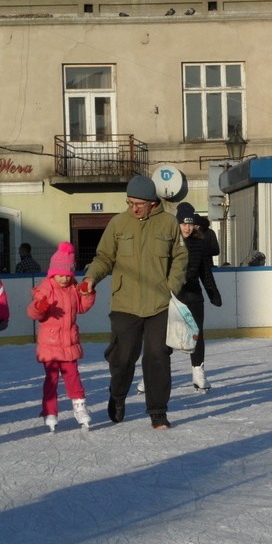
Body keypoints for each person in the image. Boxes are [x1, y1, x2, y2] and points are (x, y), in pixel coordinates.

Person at [82, 175, 188, 429]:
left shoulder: (168, 224)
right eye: (130, 202)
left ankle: (158, 412)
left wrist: (171, 286)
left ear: (152, 203)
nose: (134, 208)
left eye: (139, 203)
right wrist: (91, 278)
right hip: (125, 303)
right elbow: (104, 257)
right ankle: (118, 396)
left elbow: (181, 258)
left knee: (157, 357)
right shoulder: (118, 224)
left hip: (159, 304)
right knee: (122, 357)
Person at [140, 202, 222, 394]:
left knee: (197, 334)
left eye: (190, 224)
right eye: (183, 224)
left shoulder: (200, 243)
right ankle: (154, 376)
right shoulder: (168, 242)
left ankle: (198, 372)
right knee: (164, 337)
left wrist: (213, 293)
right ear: (177, 224)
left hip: (193, 295)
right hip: (171, 296)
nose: (187, 227)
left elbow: (205, 272)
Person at [26, 242, 96, 431]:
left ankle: (80, 408)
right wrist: (39, 308)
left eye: (68, 275)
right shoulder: (45, 288)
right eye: (60, 275)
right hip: (50, 344)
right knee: (52, 379)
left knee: (73, 377)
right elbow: (33, 313)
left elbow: (81, 307)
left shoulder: (73, 288)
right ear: (52, 273)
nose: (64, 279)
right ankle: (50, 411)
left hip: (69, 342)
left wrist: (87, 294)